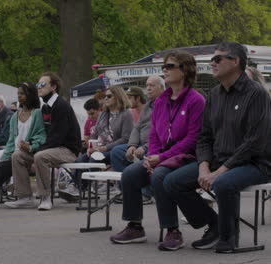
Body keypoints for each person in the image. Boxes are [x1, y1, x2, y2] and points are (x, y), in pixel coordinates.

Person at [163, 42, 271, 253]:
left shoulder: (256, 94)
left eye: (218, 59)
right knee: (172, 181)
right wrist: (204, 166)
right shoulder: (214, 95)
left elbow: (255, 142)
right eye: (212, 59)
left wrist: (220, 171)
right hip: (218, 161)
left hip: (255, 163)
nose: (212, 63)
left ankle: (228, 238)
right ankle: (214, 225)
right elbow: (205, 137)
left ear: (236, 62)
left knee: (223, 183)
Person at [109, 50, 206, 252]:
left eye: (170, 66)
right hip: (161, 157)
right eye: (164, 66)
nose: (165, 70)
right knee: (129, 174)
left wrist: (160, 158)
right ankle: (135, 226)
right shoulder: (161, 101)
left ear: (185, 70)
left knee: (160, 175)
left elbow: (192, 139)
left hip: (187, 157)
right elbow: (154, 133)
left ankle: (173, 231)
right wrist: (151, 155)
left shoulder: (196, 100)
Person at [6, 72, 81, 211]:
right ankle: (24, 197)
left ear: (53, 87)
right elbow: (45, 136)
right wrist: (30, 145)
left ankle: (45, 197)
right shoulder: (46, 107)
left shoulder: (61, 106)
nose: (38, 87)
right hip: (52, 148)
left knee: (40, 156)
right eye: (37, 84)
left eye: (42, 84)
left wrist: (34, 149)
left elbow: (58, 138)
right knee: (17, 155)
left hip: (67, 149)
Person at [59, 86, 134, 201]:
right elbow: (95, 134)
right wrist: (90, 147)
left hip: (116, 149)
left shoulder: (126, 114)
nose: (106, 99)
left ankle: (80, 187)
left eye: (109, 96)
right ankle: (75, 187)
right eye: (105, 96)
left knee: (94, 159)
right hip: (100, 149)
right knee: (80, 160)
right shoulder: (104, 114)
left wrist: (104, 148)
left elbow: (125, 138)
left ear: (118, 97)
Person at [109, 76, 166, 204]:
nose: (148, 88)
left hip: (156, 146)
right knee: (117, 152)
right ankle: (126, 190)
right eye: (147, 85)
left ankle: (146, 194)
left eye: (152, 85)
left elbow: (160, 133)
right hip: (140, 143)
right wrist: (131, 145)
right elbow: (137, 127)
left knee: (146, 155)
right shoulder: (147, 107)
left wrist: (145, 147)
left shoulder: (165, 105)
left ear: (162, 88)